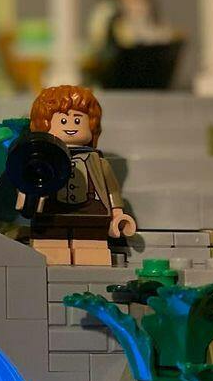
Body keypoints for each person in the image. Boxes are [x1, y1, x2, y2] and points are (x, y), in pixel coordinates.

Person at [16, 84, 135, 265]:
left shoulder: (98, 163)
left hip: (90, 212)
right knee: (49, 245)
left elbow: (112, 192)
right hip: (51, 212)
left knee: (91, 247)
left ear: (92, 124)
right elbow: (26, 182)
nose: (70, 126)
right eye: (63, 121)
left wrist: (117, 214)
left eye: (78, 120)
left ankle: (92, 256)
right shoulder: (41, 159)